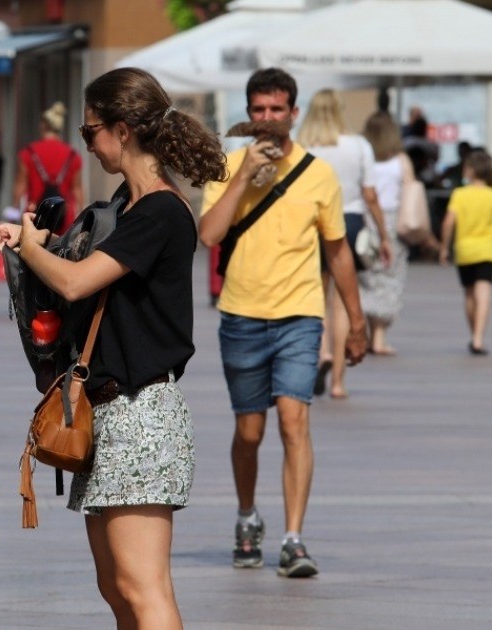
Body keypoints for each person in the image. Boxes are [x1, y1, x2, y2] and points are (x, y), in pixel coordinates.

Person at [0, 66, 224, 629]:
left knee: (144, 589)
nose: (86, 144)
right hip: (109, 411)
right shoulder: (127, 206)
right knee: (116, 586)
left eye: (89, 131)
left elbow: (74, 282)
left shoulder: (161, 211)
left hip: (143, 413)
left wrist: (25, 244)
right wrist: (39, 248)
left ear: (122, 130)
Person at [199, 68, 368, 578]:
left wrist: (356, 322)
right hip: (242, 314)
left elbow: (338, 251)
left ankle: (294, 538)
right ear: (248, 115)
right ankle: (247, 517)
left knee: (295, 421)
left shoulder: (319, 174)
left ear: (294, 113)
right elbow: (209, 234)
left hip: (300, 315)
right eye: (258, 110)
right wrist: (245, 176)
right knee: (249, 432)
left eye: (277, 110)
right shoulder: (227, 167)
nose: (268, 119)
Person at [296, 89, 391, 399]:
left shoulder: (303, 144)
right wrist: (384, 233)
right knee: (341, 300)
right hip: (349, 220)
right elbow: (370, 194)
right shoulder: (358, 145)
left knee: (317, 296)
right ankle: (338, 381)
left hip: (311, 221)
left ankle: (321, 352)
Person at [358, 112, 429, 356]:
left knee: (366, 276)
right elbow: (411, 189)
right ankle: (379, 336)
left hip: (366, 220)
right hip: (393, 221)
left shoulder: (364, 157)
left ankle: (367, 333)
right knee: (390, 276)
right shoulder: (401, 160)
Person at [440, 151, 492, 355]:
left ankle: (473, 334)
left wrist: (444, 247)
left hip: (464, 251)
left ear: (469, 170)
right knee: (483, 294)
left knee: (469, 294)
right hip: (487, 250)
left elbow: (449, 222)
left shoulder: (460, 194)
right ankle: (479, 338)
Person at [13, 102, 83, 233]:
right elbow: (77, 188)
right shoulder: (73, 155)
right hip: (64, 215)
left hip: (35, 214)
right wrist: (81, 211)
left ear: (43, 126)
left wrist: (14, 208)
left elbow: (20, 184)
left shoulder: (28, 153)